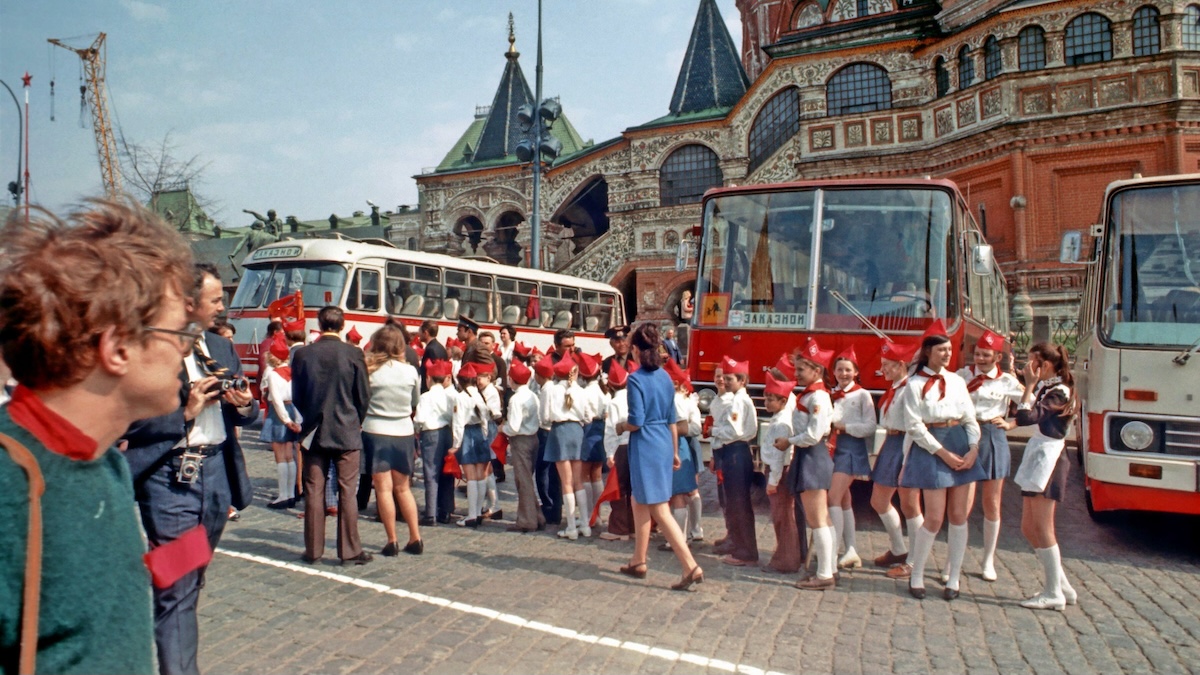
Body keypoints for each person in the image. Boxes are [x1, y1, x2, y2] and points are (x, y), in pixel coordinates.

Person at [0, 200, 193, 675]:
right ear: (118, 348)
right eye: (177, 332)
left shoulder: (103, 459)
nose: (186, 349)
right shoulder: (9, 484)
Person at [123, 261, 258, 675]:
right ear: (188, 302)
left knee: (190, 582)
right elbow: (128, 420)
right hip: (172, 483)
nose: (222, 306)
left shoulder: (219, 347)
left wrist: (246, 406)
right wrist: (186, 411)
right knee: (176, 589)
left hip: (216, 480)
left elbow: (246, 416)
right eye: (215, 299)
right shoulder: (152, 350)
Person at [898, 322, 985, 600]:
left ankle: (954, 579)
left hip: (960, 442)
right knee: (934, 517)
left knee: (959, 515)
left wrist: (973, 448)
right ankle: (918, 574)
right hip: (932, 448)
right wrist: (942, 453)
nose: (947, 354)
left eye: (949, 349)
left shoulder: (958, 381)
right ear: (927, 352)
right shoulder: (913, 384)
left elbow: (970, 418)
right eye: (941, 350)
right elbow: (914, 426)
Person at [616, 323, 703, 591]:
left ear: (635, 350)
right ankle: (638, 560)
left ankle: (690, 566)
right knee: (640, 500)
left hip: (645, 445)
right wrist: (675, 451)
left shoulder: (636, 379)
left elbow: (636, 421)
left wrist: (620, 426)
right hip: (665, 442)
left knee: (659, 508)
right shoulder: (666, 377)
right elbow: (671, 420)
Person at [291, 306, 372, 566]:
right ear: (343, 325)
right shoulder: (354, 354)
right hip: (346, 429)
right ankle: (349, 551)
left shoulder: (303, 354)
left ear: (319, 323)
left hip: (314, 430)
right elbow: (363, 396)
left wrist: (312, 417)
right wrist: (355, 420)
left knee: (314, 490)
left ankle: (313, 550)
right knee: (347, 491)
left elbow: (297, 396)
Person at [1014, 342, 1079, 611]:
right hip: (1039, 454)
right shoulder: (1050, 386)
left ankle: (1053, 592)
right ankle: (1063, 586)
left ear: (1047, 366)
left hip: (1050, 459)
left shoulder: (1059, 392)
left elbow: (1027, 417)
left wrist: (1028, 386)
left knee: (1043, 527)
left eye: (1033, 362)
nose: (1030, 368)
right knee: (1028, 528)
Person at [957, 330, 1024, 582]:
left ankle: (988, 561)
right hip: (965, 436)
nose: (981, 359)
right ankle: (955, 560)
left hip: (993, 436)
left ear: (997, 357)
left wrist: (1012, 424)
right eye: (977, 354)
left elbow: (1034, 406)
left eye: (986, 355)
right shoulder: (963, 376)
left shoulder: (1006, 381)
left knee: (992, 503)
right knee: (962, 505)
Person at [777, 338, 837, 590]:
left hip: (813, 455)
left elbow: (813, 434)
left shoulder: (818, 398)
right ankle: (829, 566)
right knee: (822, 517)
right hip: (809, 455)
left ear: (817, 371)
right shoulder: (811, 394)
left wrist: (788, 441)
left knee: (817, 519)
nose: (797, 373)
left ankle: (824, 575)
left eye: (801, 369)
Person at [363, 324, 423, 556]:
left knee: (383, 490)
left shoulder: (370, 371)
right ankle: (415, 537)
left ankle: (392, 540)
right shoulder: (410, 372)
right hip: (403, 431)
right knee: (403, 488)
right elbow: (415, 401)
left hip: (376, 431)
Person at [866, 338, 924, 580]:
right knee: (879, 500)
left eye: (889, 365)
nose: (883, 370)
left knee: (910, 504)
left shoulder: (911, 387)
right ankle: (899, 549)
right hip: (891, 443)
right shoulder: (894, 388)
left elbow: (915, 423)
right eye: (883, 365)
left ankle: (914, 561)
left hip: (908, 443)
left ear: (902, 365)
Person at [827, 347, 876, 570]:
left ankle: (832, 551)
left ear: (856, 372)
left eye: (848, 370)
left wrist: (844, 427)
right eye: (839, 370)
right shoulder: (831, 394)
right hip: (834, 449)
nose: (843, 374)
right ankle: (851, 550)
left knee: (833, 498)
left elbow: (870, 427)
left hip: (851, 449)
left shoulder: (863, 395)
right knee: (844, 500)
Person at [710, 356, 759, 567]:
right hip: (736, 452)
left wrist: (713, 430)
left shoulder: (739, 400)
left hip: (736, 452)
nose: (725, 382)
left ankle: (745, 550)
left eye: (730, 379)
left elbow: (733, 431)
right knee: (736, 502)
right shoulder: (737, 398)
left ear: (742, 381)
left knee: (738, 502)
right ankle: (740, 544)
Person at [541, 354, 590, 539]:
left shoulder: (550, 390)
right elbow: (588, 416)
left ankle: (570, 527)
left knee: (566, 482)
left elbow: (544, 416)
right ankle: (584, 524)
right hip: (577, 430)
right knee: (578, 481)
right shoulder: (581, 391)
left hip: (559, 431)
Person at [760, 371, 802, 574]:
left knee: (782, 516)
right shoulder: (781, 417)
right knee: (783, 515)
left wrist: (773, 481)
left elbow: (778, 456)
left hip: (779, 473)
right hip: (776, 470)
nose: (766, 402)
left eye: (771, 399)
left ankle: (786, 560)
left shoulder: (781, 423)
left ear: (783, 400)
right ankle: (787, 555)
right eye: (766, 397)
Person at [502, 359, 544, 532]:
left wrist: (501, 428)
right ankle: (537, 515)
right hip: (533, 437)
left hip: (521, 440)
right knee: (527, 478)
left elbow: (513, 426)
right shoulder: (533, 394)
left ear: (512, 379)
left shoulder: (515, 399)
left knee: (523, 481)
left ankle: (527, 520)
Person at [413, 359, 456, 524]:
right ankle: (445, 510)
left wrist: (417, 431)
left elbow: (420, 419)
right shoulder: (449, 396)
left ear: (429, 378)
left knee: (431, 472)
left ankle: (431, 513)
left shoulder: (426, 397)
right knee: (446, 472)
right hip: (446, 432)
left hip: (431, 433)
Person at [449, 362, 491, 527]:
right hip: (480, 433)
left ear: (459, 380)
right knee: (481, 474)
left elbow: (458, 422)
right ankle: (478, 511)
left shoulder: (460, 397)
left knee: (470, 476)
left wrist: (456, 443)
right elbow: (485, 418)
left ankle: (471, 514)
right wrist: (485, 435)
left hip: (467, 433)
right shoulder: (479, 394)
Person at [263, 335, 302, 509]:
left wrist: (285, 421)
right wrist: (297, 420)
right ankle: (292, 494)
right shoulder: (293, 372)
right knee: (290, 455)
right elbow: (298, 398)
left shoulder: (272, 374)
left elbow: (276, 401)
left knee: (280, 456)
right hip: (293, 410)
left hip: (278, 414)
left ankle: (283, 495)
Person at [600, 361, 634, 541]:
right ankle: (634, 526)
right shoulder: (634, 396)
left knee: (619, 488)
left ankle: (619, 528)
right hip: (636, 445)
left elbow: (611, 431)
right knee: (634, 488)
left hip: (622, 446)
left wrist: (609, 453)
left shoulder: (613, 403)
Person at [417, 319, 448, 391]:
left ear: (425, 333)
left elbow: (431, 373)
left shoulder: (430, 350)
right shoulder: (441, 347)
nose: (419, 335)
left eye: (420, 332)